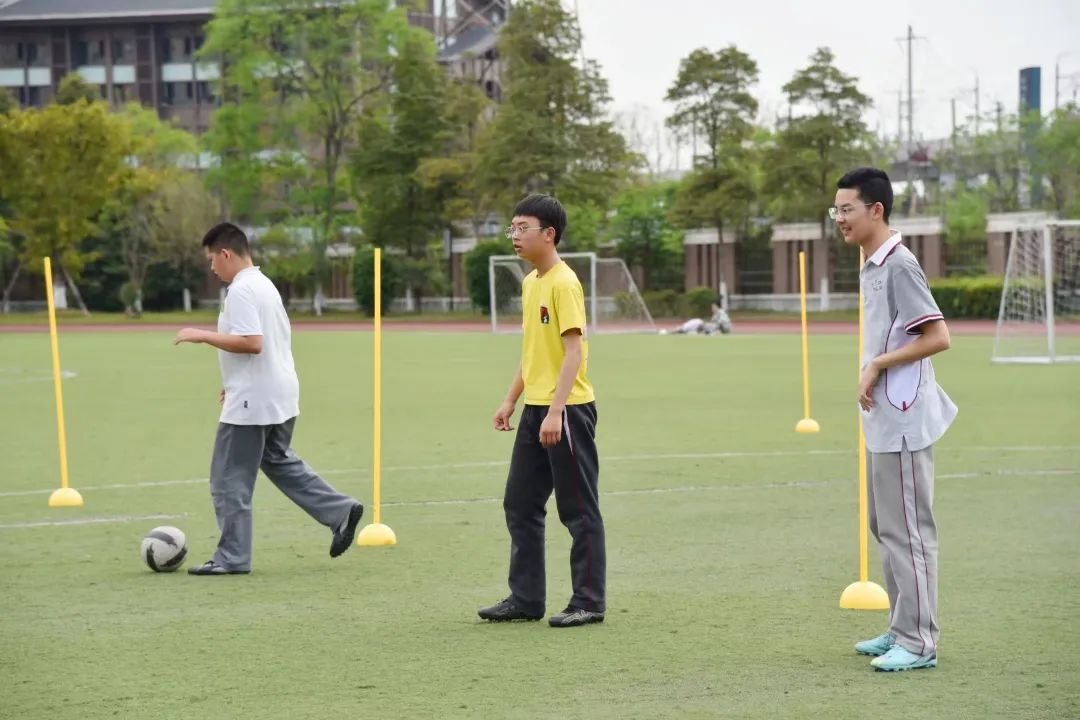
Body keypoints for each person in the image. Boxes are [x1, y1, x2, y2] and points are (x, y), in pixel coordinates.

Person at [174, 222, 364, 575]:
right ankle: (340, 511)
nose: (212, 268)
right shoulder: (265, 284)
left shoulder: (242, 290)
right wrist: (234, 381)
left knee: (228, 479)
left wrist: (201, 335)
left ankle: (232, 558)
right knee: (278, 460)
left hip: (254, 401)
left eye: (212, 260)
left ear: (226, 254)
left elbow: (253, 342)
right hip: (278, 392)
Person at [835, 168, 957, 671]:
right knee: (884, 524)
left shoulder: (901, 265)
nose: (839, 219)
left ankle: (920, 642)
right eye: (836, 210)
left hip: (904, 419)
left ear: (876, 210)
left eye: (847, 209)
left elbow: (938, 336)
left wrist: (878, 365)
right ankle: (900, 629)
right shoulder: (872, 264)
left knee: (908, 528)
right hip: (882, 418)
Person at [478, 194, 606, 628]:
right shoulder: (531, 282)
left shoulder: (563, 283)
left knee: (578, 508)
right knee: (520, 503)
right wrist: (511, 399)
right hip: (536, 409)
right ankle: (526, 598)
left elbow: (574, 352)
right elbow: (533, 351)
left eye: (522, 227)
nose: (514, 235)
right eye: (511, 227)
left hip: (567, 410)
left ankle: (588, 601)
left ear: (549, 234)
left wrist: (555, 412)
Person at [662, 301, 732, 335]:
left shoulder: (721, 313)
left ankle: (674, 331)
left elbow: (721, 325)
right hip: (713, 329)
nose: (712, 309)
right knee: (695, 322)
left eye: (713, 307)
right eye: (711, 307)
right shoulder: (715, 315)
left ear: (717, 307)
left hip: (718, 329)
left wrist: (711, 330)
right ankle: (677, 330)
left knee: (697, 322)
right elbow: (714, 324)